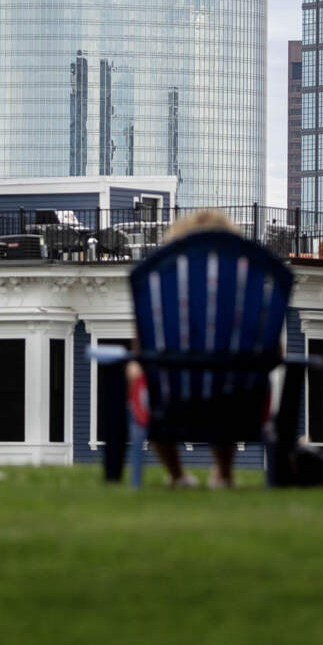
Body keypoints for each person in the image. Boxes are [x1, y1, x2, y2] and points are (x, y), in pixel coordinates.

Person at [127, 208, 246, 488]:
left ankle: (177, 474)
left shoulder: (157, 293)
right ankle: (224, 473)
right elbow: (274, 354)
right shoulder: (245, 292)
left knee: (140, 375)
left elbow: (140, 349)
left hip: (168, 401)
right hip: (238, 402)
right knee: (227, 384)